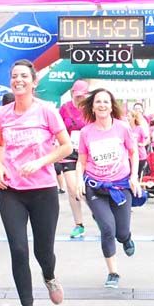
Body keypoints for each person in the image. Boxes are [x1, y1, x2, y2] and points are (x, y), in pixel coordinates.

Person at [0, 59, 71, 306]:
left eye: (24, 76)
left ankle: (49, 275)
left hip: (43, 191)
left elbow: (66, 147)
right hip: (11, 191)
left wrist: (40, 162)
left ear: (34, 81)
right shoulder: (2, 114)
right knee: (18, 249)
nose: (19, 80)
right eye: (14, 76)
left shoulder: (47, 112)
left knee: (43, 251)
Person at [76, 87, 141, 288]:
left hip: (120, 186)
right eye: (98, 102)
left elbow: (133, 153)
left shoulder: (122, 128)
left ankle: (127, 238)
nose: (102, 105)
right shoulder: (86, 132)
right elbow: (81, 160)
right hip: (96, 187)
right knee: (107, 228)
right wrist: (79, 180)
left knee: (121, 232)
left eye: (106, 101)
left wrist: (134, 176)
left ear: (111, 106)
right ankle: (113, 272)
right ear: (93, 107)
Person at [57, 80, 90, 238]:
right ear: (72, 94)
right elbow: (57, 129)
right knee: (72, 189)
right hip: (69, 151)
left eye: (82, 96)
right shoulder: (64, 109)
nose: (79, 99)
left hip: (88, 152)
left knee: (88, 188)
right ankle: (79, 224)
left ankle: (100, 213)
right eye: (77, 96)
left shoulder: (92, 108)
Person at [128, 102, 150, 179]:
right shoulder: (126, 129)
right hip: (129, 156)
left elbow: (147, 139)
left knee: (138, 174)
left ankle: (138, 190)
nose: (127, 118)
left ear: (134, 118)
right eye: (127, 116)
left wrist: (143, 144)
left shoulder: (139, 128)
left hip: (140, 155)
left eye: (129, 116)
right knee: (130, 175)